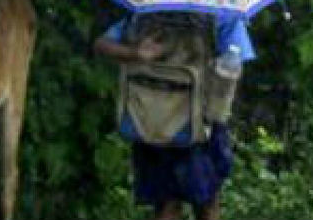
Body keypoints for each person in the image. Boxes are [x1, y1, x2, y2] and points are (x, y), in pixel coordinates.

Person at [94, 12, 255, 220]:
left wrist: (136, 53)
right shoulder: (222, 13)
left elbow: (101, 44)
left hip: (152, 121)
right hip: (200, 124)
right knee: (207, 202)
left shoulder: (146, 11)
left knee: (166, 205)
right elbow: (235, 60)